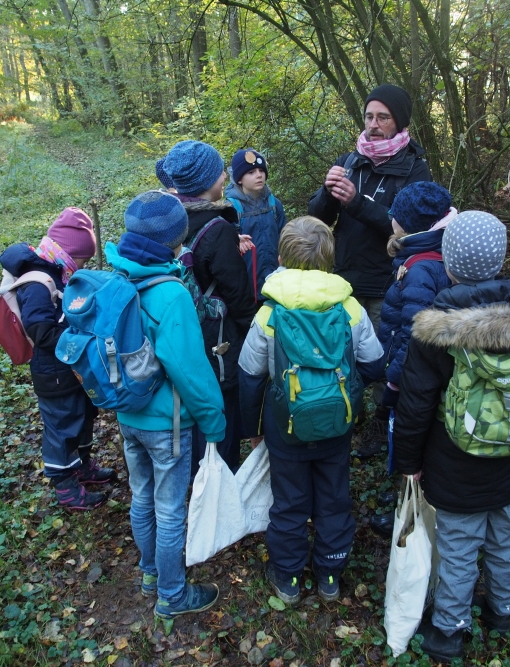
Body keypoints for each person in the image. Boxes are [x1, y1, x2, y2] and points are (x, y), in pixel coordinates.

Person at [392, 211, 510, 662]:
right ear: (500, 260)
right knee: (505, 531)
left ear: (448, 263)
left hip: (452, 460)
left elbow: (415, 404)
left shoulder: (435, 332)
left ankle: (448, 631)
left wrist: (408, 462)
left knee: (458, 545)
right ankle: (503, 609)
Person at [238, 216, 385, 606]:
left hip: (284, 427)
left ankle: (287, 578)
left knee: (288, 500)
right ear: (330, 259)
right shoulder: (351, 308)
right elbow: (373, 364)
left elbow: (250, 377)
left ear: (283, 257)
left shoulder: (268, 314)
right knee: (334, 497)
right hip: (337, 425)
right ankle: (331, 575)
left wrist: (253, 429)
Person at [110, 190, 227, 619]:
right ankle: (172, 595)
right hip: (168, 423)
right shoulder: (171, 293)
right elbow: (189, 370)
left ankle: (149, 572)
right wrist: (214, 421)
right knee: (170, 507)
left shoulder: (119, 276)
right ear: (177, 239)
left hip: (127, 413)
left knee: (142, 497)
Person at [307, 83, 433, 459]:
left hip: (387, 282)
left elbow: (410, 227)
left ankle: (383, 421)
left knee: (384, 358)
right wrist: (328, 193)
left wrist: (357, 203)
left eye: (383, 117)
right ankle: (347, 413)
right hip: (343, 279)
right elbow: (319, 217)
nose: (373, 125)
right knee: (340, 353)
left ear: (399, 122)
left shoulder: (415, 168)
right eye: (368, 116)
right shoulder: (352, 160)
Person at [0, 208, 115, 511]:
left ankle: (83, 466)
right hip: (54, 373)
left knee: (84, 416)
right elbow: (39, 330)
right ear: (68, 252)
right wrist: (76, 335)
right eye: (83, 260)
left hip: (72, 368)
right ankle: (64, 485)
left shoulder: (59, 272)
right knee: (62, 426)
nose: (83, 266)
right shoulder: (37, 282)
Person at [163, 140, 259, 473]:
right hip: (218, 343)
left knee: (191, 405)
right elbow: (238, 294)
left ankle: (193, 475)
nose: (225, 177)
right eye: (220, 171)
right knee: (221, 412)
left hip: (179, 334)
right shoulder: (216, 229)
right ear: (206, 181)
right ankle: (219, 481)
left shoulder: (170, 221)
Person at [369, 181, 457, 536]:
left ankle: (410, 516)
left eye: (394, 215)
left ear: (407, 224)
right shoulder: (439, 254)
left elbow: (412, 331)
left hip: (412, 378)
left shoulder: (420, 267)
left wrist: (392, 381)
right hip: (428, 375)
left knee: (409, 444)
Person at [224, 148, 288, 299]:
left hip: (276, 282)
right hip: (246, 287)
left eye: (261, 170)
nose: (259, 175)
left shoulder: (274, 204)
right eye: (251, 172)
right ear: (239, 179)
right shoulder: (230, 209)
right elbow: (224, 248)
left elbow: (286, 238)